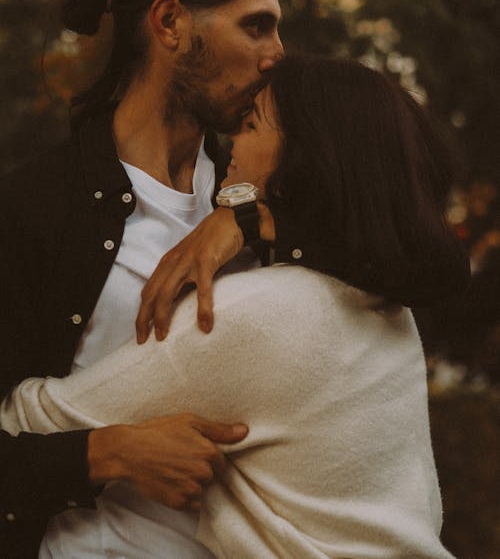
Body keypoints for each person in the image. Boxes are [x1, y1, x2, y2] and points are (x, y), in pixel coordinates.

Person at [2, 55, 466, 558]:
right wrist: (253, 218)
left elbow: (33, 419)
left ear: (305, 158)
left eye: (250, 126)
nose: (233, 143)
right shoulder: (392, 314)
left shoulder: (256, 315)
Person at [0, 0, 287, 558]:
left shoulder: (264, 189)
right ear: (169, 23)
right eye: (256, 25)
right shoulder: (34, 207)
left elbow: (418, 271)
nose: (277, 53)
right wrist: (105, 451)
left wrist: (243, 220)